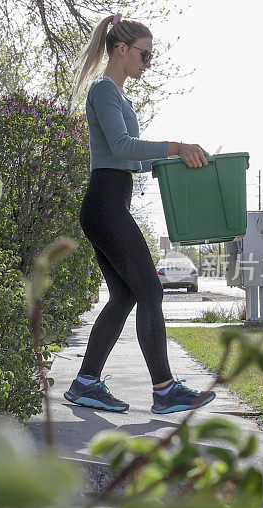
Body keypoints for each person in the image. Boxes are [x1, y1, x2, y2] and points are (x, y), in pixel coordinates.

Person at [64, 13, 216, 414]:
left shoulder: (118, 95)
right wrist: (174, 145)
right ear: (121, 49)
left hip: (111, 201)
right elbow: (122, 144)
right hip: (105, 204)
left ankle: (85, 383)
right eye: (145, 55)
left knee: (126, 294)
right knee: (150, 289)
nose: (148, 62)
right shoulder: (103, 91)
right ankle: (164, 389)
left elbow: (127, 159)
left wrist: (179, 160)